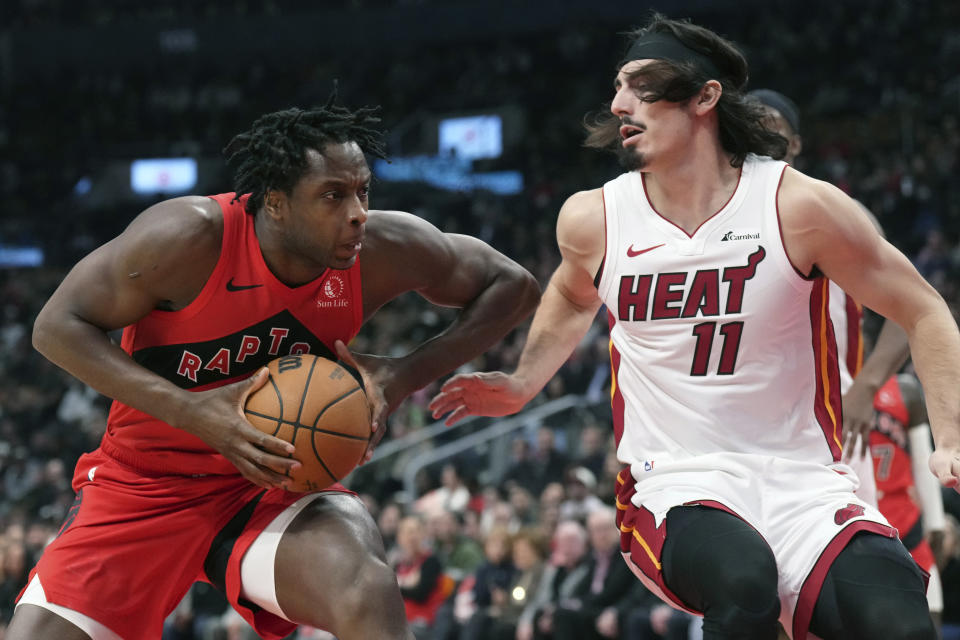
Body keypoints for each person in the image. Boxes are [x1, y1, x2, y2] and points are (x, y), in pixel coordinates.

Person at [431, 13, 960, 640]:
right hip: (674, 480)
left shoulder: (797, 206)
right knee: (742, 579)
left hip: (803, 480)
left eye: (642, 85)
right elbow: (575, 297)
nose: (619, 102)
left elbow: (924, 309)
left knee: (899, 612)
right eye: (618, 86)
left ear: (705, 97)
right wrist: (523, 382)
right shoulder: (595, 218)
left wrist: (949, 439)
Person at [9, 101, 540, 640]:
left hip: (268, 485)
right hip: (145, 485)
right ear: (278, 203)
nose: (356, 211)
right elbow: (56, 327)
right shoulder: (189, 237)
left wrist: (403, 374)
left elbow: (513, 287)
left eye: (362, 190)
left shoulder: (379, 250)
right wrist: (195, 413)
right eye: (333, 195)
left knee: (363, 587)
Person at [749, 88, 911, 507]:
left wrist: (866, 387)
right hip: (746, 422)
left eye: (772, 124)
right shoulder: (711, 221)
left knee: (852, 558)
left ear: (796, 143)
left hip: (829, 413)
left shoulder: (834, 210)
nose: (759, 133)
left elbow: (911, 309)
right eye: (749, 124)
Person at [869, 373, 947, 624]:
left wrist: (935, 522)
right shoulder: (828, 386)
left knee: (929, 615)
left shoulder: (905, 391)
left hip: (904, 523)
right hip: (856, 524)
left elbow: (924, 461)